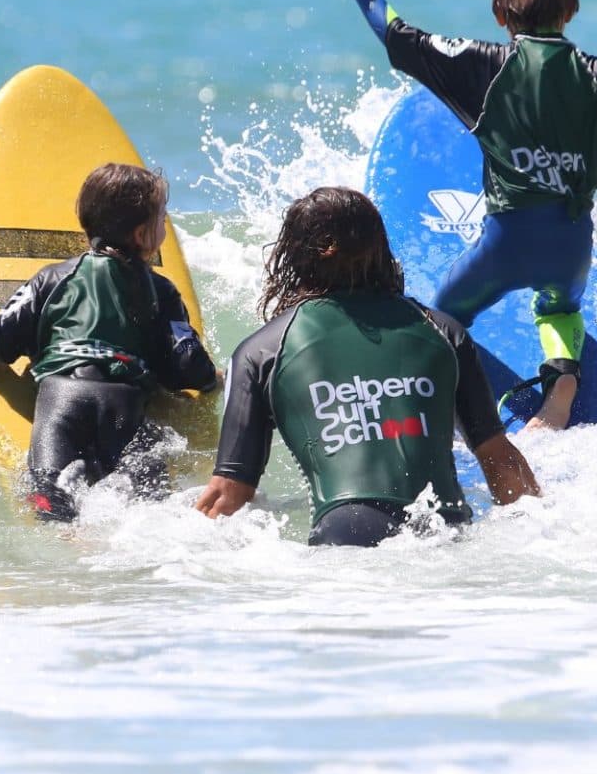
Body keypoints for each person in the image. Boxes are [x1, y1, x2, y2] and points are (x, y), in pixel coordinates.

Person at [324, 0, 597, 430]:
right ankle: (563, 384)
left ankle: (442, 396)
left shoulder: (485, 64)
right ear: (570, 10)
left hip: (503, 246)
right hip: (572, 248)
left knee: (444, 311)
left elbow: (397, 35)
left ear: (499, 12)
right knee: (559, 308)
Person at [196, 186, 539, 546]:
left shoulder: (260, 351)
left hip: (345, 537)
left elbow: (229, 492)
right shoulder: (444, 332)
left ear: (295, 255)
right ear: (379, 247)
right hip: (443, 527)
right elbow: (500, 461)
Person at [0, 163, 218, 521]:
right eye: (162, 217)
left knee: (52, 507)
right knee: (148, 517)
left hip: (62, 403)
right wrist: (212, 380)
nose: (166, 224)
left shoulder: (53, 278)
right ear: (140, 234)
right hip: (125, 408)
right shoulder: (161, 291)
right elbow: (187, 364)